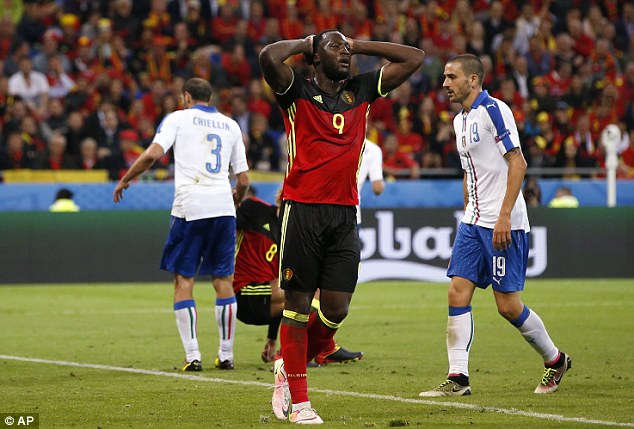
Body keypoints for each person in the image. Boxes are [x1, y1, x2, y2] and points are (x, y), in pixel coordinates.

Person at [259, 29, 424, 424]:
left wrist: (358, 44)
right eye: (335, 48)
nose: (344, 53)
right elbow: (268, 56)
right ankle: (299, 402)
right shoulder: (295, 89)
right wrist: (307, 42)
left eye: (346, 49)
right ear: (316, 57)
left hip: (345, 212)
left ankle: (289, 363)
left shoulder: (362, 89)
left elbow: (414, 58)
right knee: (297, 305)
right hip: (301, 210)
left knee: (336, 307)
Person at [419, 54, 571, 398]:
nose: (445, 84)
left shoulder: (495, 110)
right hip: (473, 222)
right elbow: (468, 170)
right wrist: (467, 211)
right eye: (444, 77)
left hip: (504, 223)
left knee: (508, 306)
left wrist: (502, 216)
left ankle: (556, 360)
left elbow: (517, 163)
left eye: (451, 77)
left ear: (473, 80)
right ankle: (458, 378)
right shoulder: (460, 120)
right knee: (457, 291)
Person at [113, 77, 250, 372]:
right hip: (223, 207)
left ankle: (193, 355)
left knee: (184, 281)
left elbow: (152, 154)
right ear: (209, 98)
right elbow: (243, 180)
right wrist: (236, 200)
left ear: (186, 96)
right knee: (223, 280)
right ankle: (226, 354)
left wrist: (126, 178)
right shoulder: (232, 125)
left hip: (191, 206)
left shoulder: (178, 118)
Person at [234, 188, 363, 366]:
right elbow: (227, 222)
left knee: (306, 292)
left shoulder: (294, 234)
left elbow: (289, 300)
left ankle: (314, 349)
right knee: (312, 290)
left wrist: (272, 337)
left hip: (265, 303)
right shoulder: (255, 208)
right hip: (245, 293)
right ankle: (304, 352)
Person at [357, 138, 385, 226]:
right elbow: (378, 188)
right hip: (351, 212)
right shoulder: (372, 149)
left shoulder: (329, 142)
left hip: (322, 209)